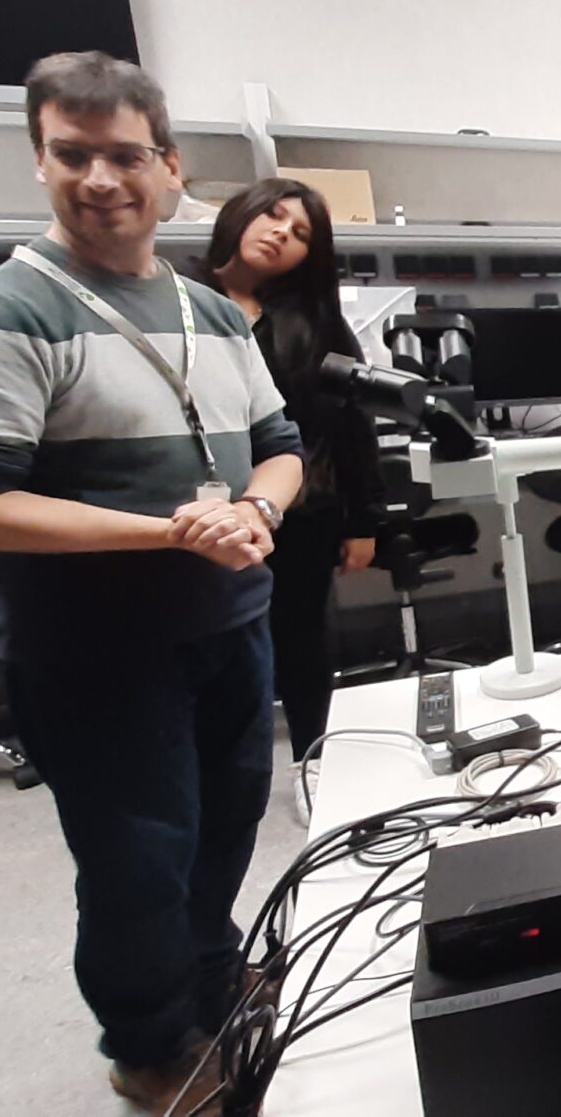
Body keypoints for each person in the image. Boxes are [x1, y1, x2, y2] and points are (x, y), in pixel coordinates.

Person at [0, 51, 302, 1115]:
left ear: (169, 170)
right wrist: (169, 534)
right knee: (138, 860)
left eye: (125, 156)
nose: (101, 179)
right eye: (72, 155)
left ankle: (209, 979)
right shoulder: (6, 311)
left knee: (226, 828)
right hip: (96, 651)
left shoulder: (213, 312)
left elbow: (279, 445)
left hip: (229, 621)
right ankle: (149, 1045)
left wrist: (257, 511)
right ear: (39, 163)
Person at [200, 177, 383, 823]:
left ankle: (312, 762)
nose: (281, 232)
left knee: (302, 643)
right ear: (240, 215)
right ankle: (215, 775)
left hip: (301, 513)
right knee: (210, 647)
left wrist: (365, 520)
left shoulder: (317, 320)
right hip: (200, 513)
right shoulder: (179, 298)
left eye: (301, 232)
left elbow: (353, 426)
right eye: (273, 215)